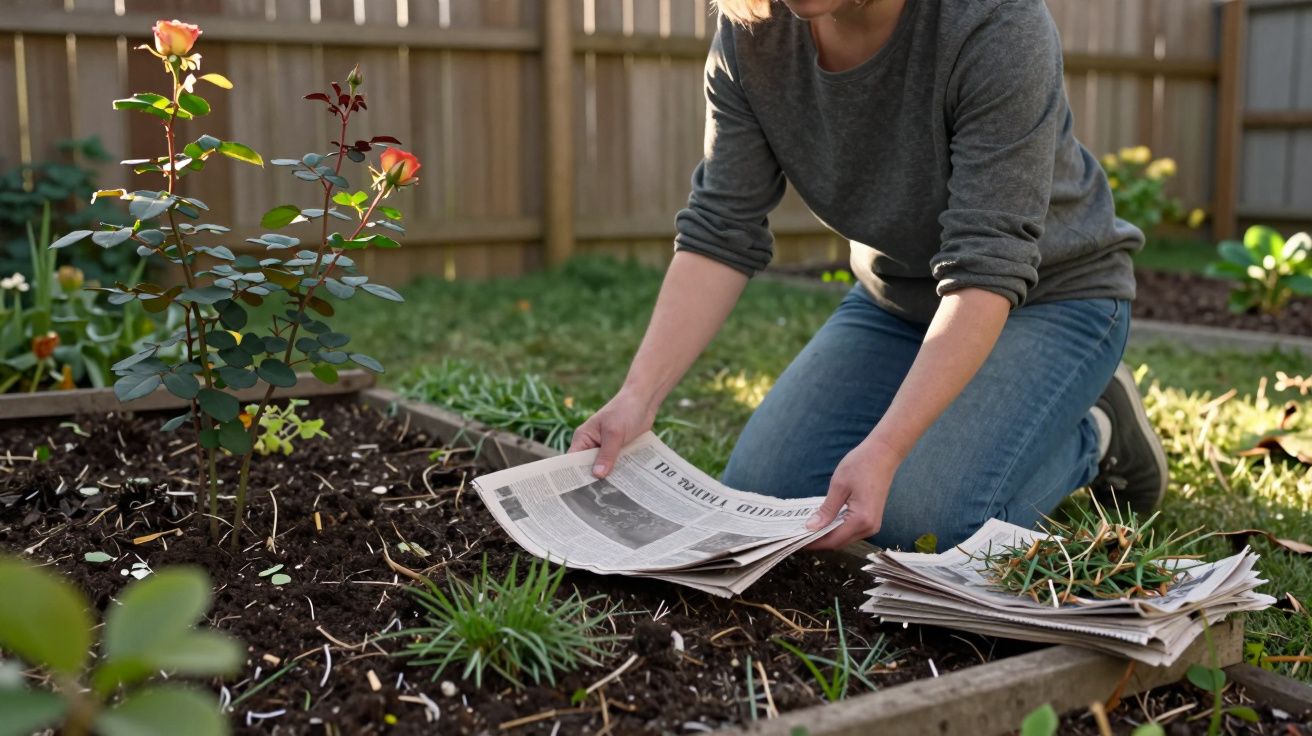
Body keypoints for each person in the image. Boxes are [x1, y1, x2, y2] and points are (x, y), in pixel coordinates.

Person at [567, 0, 1168, 552]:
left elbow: (987, 265)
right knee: (765, 495)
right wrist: (636, 397)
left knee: (921, 525)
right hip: (897, 302)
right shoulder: (751, 31)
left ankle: (1097, 429)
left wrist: (886, 448)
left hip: (1052, 298)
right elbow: (722, 226)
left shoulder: (994, 23)